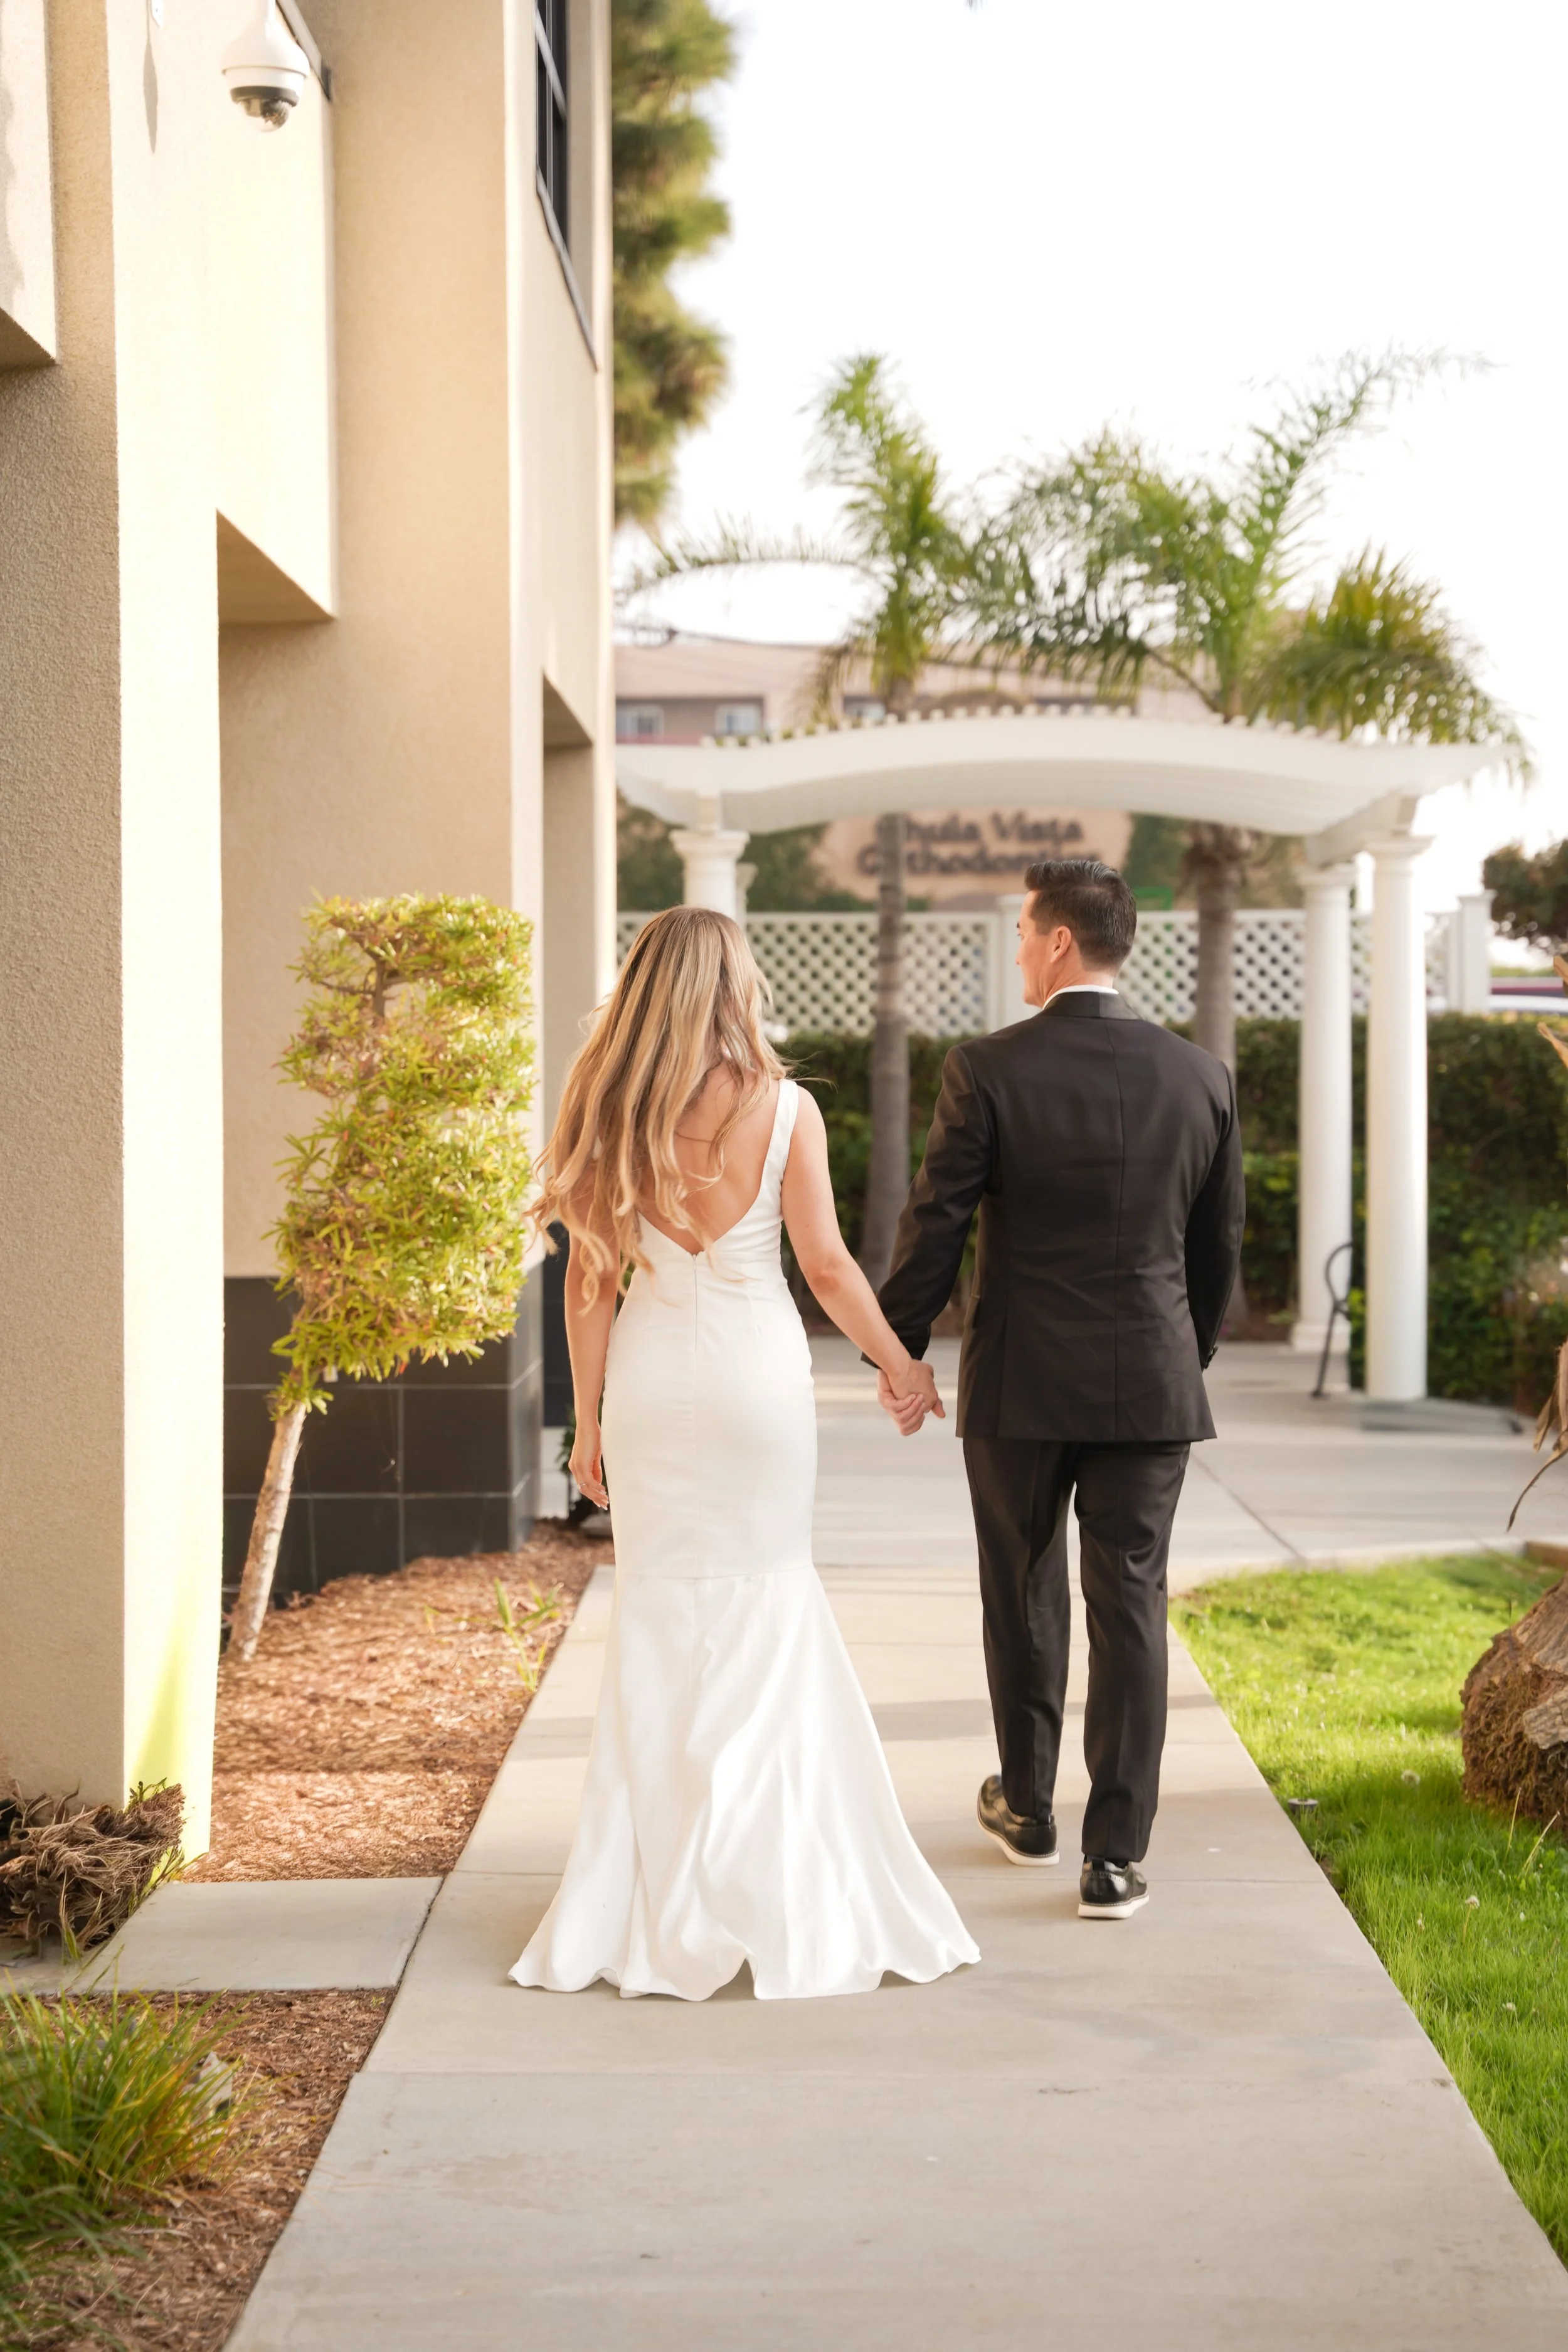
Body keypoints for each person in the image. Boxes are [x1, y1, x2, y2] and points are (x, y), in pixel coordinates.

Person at [510, 906, 978, 2001]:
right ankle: (769, 1871)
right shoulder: (787, 1106)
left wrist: (588, 1418)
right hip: (756, 1384)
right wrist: (901, 1361)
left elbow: (589, 1285)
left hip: (654, 1382)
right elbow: (823, 1265)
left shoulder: (607, 1106)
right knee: (768, 1602)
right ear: (734, 982)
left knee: (664, 1615)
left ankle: (659, 1881)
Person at [876, 858, 1244, 1921]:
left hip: (1023, 1381)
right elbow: (1220, 1246)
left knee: (1024, 1584)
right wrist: (1188, 1349)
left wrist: (901, 1350)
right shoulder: (1201, 1076)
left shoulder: (986, 1069)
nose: (1021, 949)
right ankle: (1116, 1857)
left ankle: (1030, 1806)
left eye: (1026, 931)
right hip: (1152, 1382)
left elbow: (936, 1223)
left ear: (1057, 944)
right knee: (1130, 1600)